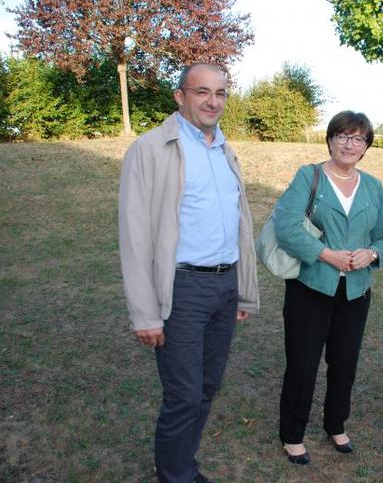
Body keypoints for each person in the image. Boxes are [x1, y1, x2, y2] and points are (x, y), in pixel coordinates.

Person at [119, 63, 259, 483]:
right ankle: (175, 475)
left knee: (206, 388)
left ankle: (179, 465)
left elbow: (240, 225)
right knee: (183, 395)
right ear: (180, 96)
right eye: (202, 91)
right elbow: (135, 235)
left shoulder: (224, 149)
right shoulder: (152, 148)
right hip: (181, 288)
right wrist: (145, 313)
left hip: (224, 285)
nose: (213, 101)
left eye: (220, 92)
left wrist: (241, 292)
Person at [273, 111, 383, 464]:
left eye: (358, 138)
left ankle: (336, 424)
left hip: (356, 292)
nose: (349, 143)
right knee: (303, 363)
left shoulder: (373, 186)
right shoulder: (308, 176)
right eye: (342, 135)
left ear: (366, 147)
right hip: (311, 287)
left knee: (344, 364)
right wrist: (327, 255)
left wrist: (371, 253)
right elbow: (287, 227)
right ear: (329, 139)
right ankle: (293, 434)